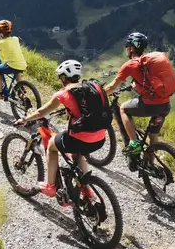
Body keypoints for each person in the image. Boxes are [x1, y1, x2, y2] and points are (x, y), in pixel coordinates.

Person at [15, 59, 109, 199]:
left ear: (64, 77)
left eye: (60, 77)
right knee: (78, 154)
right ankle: (86, 189)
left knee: (52, 146)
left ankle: (50, 186)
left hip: (81, 139)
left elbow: (42, 112)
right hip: (100, 138)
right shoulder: (89, 88)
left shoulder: (63, 94)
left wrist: (25, 119)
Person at [102, 31, 175, 170]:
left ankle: (134, 143)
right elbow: (150, 83)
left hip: (150, 105)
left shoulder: (129, 65)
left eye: (127, 46)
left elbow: (112, 87)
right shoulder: (148, 63)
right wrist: (135, 86)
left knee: (123, 108)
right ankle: (151, 163)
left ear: (131, 48)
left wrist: (100, 94)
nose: (126, 49)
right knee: (153, 133)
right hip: (165, 105)